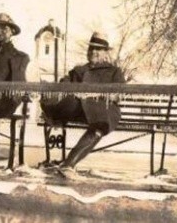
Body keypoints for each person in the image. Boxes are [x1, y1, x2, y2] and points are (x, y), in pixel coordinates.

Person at [40, 32, 126, 178]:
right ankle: (54, 115)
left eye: (98, 49)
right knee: (55, 98)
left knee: (100, 124)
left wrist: (98, 95)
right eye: (91, 48)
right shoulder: (79, 70)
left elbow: (119, 94)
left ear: (106, 53)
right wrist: (73, 91)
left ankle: (68, 164)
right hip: (80, 109)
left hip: (103, 111)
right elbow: (64, 84)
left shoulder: (114, 71)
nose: (93, 52)